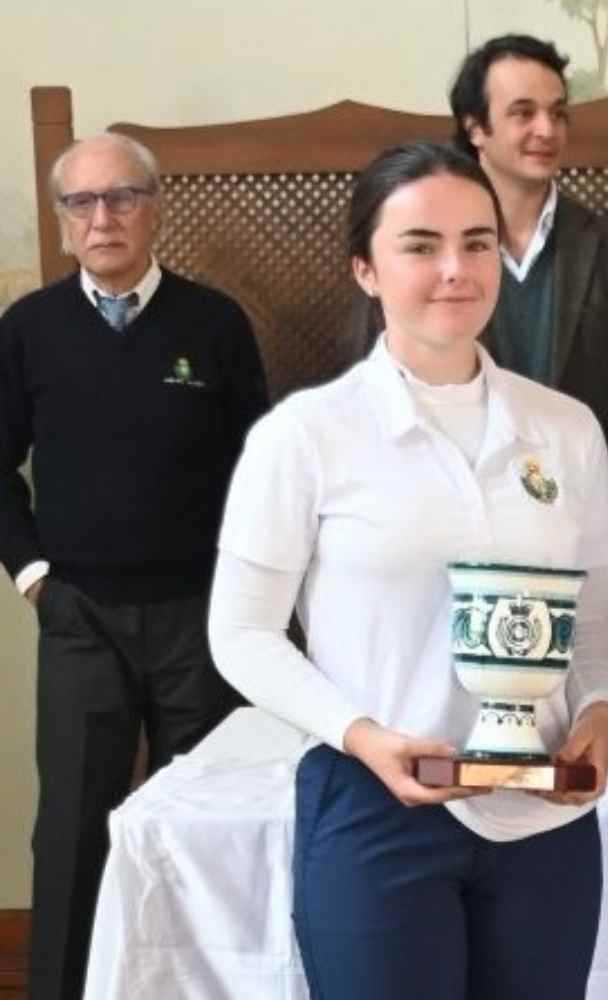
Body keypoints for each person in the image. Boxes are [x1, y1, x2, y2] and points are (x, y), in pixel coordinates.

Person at [206, 141, 608, 1000]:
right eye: (420, 245)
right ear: (365, 268)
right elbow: (240, 633)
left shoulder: (567, 429)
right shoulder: (307, 434)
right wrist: (363, 735)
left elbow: (591, 618)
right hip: (373, 808)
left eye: (477, 243)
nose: (454, 270)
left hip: (541, 811)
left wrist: (600, 712)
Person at [0, 132, 268, 1000]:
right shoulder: (29, 329)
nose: (102, 217)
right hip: (79, 615)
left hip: (200, 614)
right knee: (73, 829)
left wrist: (247, 592)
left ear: (155, 208)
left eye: (122, 198)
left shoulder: (215, 324)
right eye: (82, 203)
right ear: (64, 221)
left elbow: (258, 472)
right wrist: (34, 576)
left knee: (206, 821)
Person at [448, 34, 608, 662]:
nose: (546, 129)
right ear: (475, 128)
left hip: (584, 545)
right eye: (523, 113)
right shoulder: (432, 247)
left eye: (558, 112)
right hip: (464, 544)